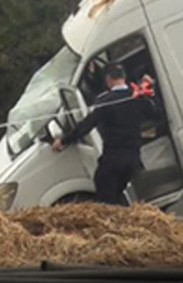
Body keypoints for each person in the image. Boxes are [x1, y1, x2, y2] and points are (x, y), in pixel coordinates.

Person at [51, 64, 158, 206]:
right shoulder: (137, 97)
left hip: (114, 158)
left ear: (108, 79)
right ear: (124, 77)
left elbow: (87, 125)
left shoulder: (105, 101)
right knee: (118, 195)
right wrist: (149, 90)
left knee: (104, 195)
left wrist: (64, 140)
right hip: (133, 158)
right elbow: (157, 114)